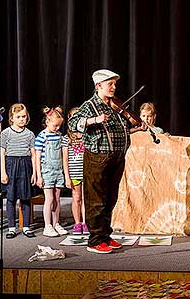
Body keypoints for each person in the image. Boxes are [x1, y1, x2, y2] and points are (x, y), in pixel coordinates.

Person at [68, 69, 144, 254]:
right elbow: (72, 123)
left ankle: (105, 235)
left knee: (110, 198)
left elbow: (123, 128)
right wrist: (95, 119)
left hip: (117, 157)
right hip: (97, 157)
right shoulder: (90, 105)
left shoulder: (115, 106)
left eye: (114, 84)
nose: (114, 87)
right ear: (99, 86)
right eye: (110, 84)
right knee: (96, 199)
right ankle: (94, 240)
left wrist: (137, 127)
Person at [0, 103, 36, 238]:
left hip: (25, 165)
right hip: (10, 165)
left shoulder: (30, 134)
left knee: (25, 197)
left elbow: (33, 154)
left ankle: (26, 226)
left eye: (24, 116)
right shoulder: (6, 133)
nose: (22, 119)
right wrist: (3, 172)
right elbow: (2, 153)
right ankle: (11, 228)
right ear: (12, 118)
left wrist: (34, 173)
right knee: (11, 197)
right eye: (19, 117)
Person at [35, 106, 69, 237]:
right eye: (55, 125)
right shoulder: (41, 137)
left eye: (59, 126)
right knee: (49, 198)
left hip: (58, 170)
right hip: (47, 171)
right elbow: (37, 158)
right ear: (48, 121)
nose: (57, 129)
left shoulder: (59, 136)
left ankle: (56, 223)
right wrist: (39, 175)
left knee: (57, 199)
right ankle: (47, 225)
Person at [63, 107, 89, 235]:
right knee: (76, 198)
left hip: (86, 172)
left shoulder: (87, 136)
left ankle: (85, 222)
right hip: (74, 173)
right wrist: (67, 177)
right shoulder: (66, 138)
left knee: (85, 198)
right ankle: (77, 223)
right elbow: (65, 159)